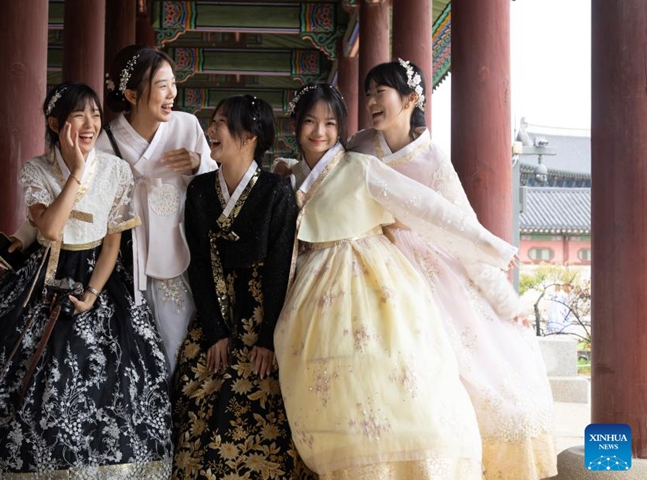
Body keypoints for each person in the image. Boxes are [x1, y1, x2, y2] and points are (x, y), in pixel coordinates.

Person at [274, 82, 525, 479]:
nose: (319, 132)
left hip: (370, 283)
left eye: (329, 123)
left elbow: (429, 209)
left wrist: (489, 245)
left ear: (341, 129)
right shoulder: (285, 177)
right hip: (310, 288)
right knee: (332, 389)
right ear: (295, 125)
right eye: (310, 122)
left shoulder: (360, 168)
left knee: (388, 376)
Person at [0, 83, 173, 479]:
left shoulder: (116, 171)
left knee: (111, 366)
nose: (90, 124)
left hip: (98, 278)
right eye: (79, 116)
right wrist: (76, 173)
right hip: (44, 273)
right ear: (57, 124)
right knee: (2, 337)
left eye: (95, 114)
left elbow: (113, 244)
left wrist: (92, 294)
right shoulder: (36, 169)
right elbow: (52, 230)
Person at [345, 60, 557, 479]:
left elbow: (464, 228)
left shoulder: (434, 160)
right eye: (368, 93)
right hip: (373, 264)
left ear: (410, 100)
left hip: (431, 269)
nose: (371, 101)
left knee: (473, 375)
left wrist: (503, 300)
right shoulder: (357, 148)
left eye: (380, 92)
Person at [10, 45, 218, 374]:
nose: (172, 94)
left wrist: (198, 163)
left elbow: (215, 190)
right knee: (132, 352)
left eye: (173, 83)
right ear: (132, 94)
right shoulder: (104, 142)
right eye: (162, 85)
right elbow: (69, 201)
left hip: (176, 251)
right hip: (121, 255)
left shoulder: (187, 127)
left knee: (180, 342)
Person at [171, 95, 313, 479]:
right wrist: (215, 331)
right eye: (212, 122)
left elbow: (280, 268)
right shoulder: (199, 190)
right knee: (194, 386)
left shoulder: (276, 191)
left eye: (220, 123)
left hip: (262, 313)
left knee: (262, 401)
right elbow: (198, 264)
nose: (210, 131)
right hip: (213, 312)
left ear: (249, 135)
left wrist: (268, 338)